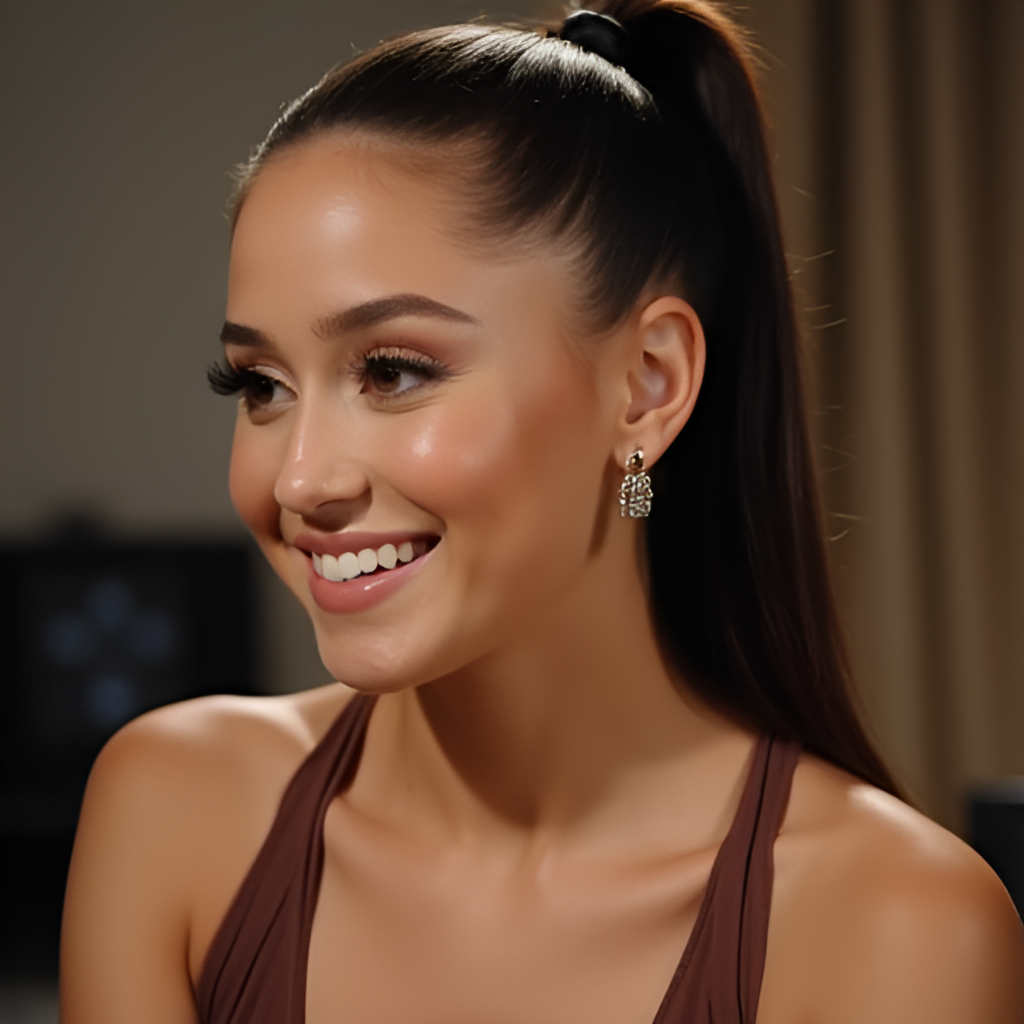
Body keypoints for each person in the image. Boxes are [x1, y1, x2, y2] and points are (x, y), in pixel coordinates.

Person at [60, 2, 1023, 1022]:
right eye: (260, 385)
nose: (299, 480)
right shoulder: (173, 809)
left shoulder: (897, 924)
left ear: (646, 386)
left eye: (391, 370)